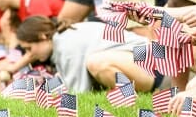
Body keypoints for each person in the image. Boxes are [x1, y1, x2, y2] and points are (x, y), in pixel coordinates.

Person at [15, 15, 166, 93]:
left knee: (96, 63)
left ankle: (130, 101)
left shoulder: (65, 46)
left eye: (29, 48)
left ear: (42, 36)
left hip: (156, 67)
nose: (30, 55)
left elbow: (80, 93)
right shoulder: (61, 40)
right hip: (148, 61)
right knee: (95, 63)